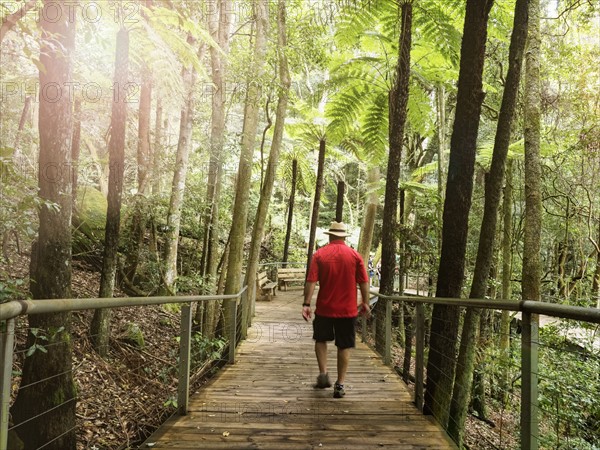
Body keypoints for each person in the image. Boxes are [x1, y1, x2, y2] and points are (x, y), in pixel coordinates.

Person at [302, 221, 371, 398]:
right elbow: (363, 281)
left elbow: (311, 280)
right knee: (344, 345)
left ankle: (323, 374)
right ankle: (340, 384)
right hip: (347, 310)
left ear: (330, 236)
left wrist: (306, 304)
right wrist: (365, 302)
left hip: (325, 308)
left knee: (320, 340)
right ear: (344, 237)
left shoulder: (319, 254)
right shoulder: (355, 256)